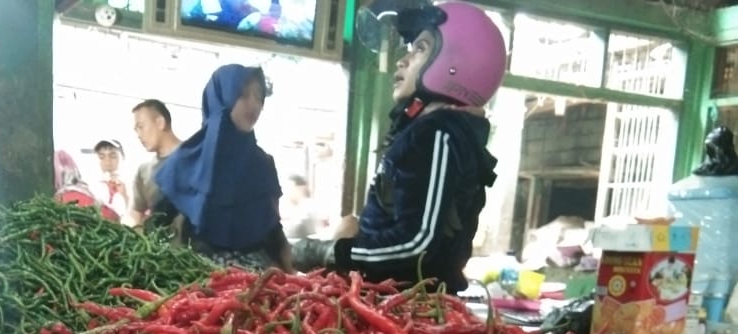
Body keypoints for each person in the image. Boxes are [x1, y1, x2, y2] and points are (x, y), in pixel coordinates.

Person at [292, 1, 506, 292]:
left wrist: (333, 253)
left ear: (457, 62)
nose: (402, 60)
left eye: (420, 48)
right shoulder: (424, 130)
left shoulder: (439, 133)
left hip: (413, 302)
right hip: (394, 296)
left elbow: (417, 244)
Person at [152, 64, 292, 271]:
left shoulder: (263, 165)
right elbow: (156, 227)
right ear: (221, 96)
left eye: (259, 96)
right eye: (243, 94)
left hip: (259, 287)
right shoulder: (183, 162)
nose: (253, 104)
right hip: (195, 286)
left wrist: (290, 272)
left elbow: (272, 229)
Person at [128, 99, 182, 227]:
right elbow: (135, 213)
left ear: (160, 122)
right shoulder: (144, 171)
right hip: (158, 244)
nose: (138, 135)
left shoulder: (195, 157)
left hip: (193, 244)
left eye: (141, 127)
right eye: (136, 130)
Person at [90, 139, 129, 218]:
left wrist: (124, 196)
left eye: (113, 156)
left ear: (122, 157)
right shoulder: (92, 187)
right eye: (102, 157)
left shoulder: (132, 183)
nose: (107, 161)